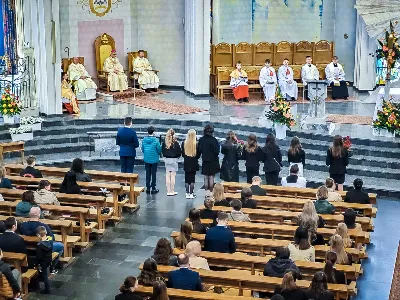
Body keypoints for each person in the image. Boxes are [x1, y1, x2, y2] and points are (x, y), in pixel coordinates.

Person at [20, 207, 64, 272]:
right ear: (39, 215)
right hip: (43, 248)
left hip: (28, 247)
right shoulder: (43, 226)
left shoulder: (23, 225)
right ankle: (52, 267)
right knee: (60, 246)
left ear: (29, 214)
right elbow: (51, 238)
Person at [197, 124, 220, 192]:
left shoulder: (201, 140)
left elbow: (199, 150)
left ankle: (206, 192)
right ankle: (211, 192)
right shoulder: (214, 140)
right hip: (213, 161)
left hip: (205, 160)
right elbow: (217, 151)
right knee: (211, 177)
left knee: (206, 177)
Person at [142, 126, 161, 194]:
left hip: (147, 158)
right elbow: (159, 150)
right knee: (153, 174)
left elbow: (143, 149)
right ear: (154, 132)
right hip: (154, 159)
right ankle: (153, 188)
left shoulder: (144, 139)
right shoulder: (156, 140)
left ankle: (148, 188)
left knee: (147, 173)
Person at [162, 129, 182, 196]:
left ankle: (168, 191)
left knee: (167, 175)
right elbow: (179, 152)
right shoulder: (176, 143)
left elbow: (163, 151)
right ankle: (172, 190)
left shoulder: (165, 143)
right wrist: (177, 157)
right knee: (173, 175)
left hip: (167, 159)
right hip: (174, 159)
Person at [182, 129, 200, 199]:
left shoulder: (184, 143)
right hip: (194, 162)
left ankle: (187, 193)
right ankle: (191, 193)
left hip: (186, 162)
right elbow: (198, 154)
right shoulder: (196, 144)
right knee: (192, 179)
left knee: (187, 178)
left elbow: (183, 154)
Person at [35, 226, 53, 294]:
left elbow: (38, 256)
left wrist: (36, 264)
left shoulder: (40, 245)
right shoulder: (50, 240)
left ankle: (47, 289)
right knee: (45, 273)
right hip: (48, 259)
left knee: (45, 276)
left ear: (38, 235)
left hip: (43, 262)